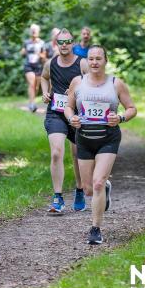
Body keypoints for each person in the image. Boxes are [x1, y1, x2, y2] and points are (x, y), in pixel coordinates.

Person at [64, 45, 137, 244]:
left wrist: (120, 117)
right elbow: (68, 108)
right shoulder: (77, 82)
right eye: (91, 59)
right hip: (84, 139)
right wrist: (72, 119)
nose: (94, 62)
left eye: (99, 59)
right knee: (88, 189)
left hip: (108, 138)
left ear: (105, 61)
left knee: (97, 183)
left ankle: (95, 229)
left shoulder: (116, 83)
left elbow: (132, 108)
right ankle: (105, 189)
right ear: (87, 61)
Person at [41, 28, 88, 213]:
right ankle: (58, 198)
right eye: (60, 42)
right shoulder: (50, 64)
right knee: (56, 153)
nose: (64, 45)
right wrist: (45, 92)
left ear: (73, 43)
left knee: (77, 155)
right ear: (56, 43)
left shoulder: (82, 63)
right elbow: (44, 78)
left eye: (67, 42)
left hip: (78, 116)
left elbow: (93, 83)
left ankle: (80, 189)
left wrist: (77, 92)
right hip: (56, 114)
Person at [21, 24, 46, 112]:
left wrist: (40, 55)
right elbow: (22, 53)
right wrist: (23, 52)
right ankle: (32, 104)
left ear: (38, 32)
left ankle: (32, 101)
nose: (33, 31)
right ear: (30, 32)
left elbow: (44, 56)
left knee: (36, 87)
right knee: (31, 84)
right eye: (32, 30)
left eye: (35, 30)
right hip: (28, 65)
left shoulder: (42, 43)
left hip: (38, 66)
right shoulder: (26, 42)